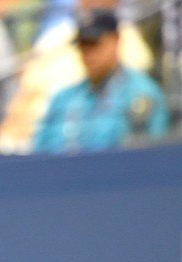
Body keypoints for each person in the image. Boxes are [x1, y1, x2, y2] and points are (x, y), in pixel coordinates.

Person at [33, 8, 167, 153]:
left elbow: (149, 154)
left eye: (94, 44)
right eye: (83, 45)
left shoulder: (140, 93)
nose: (88, 53)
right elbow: (40, 152)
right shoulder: (63, 98)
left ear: (116, 40)